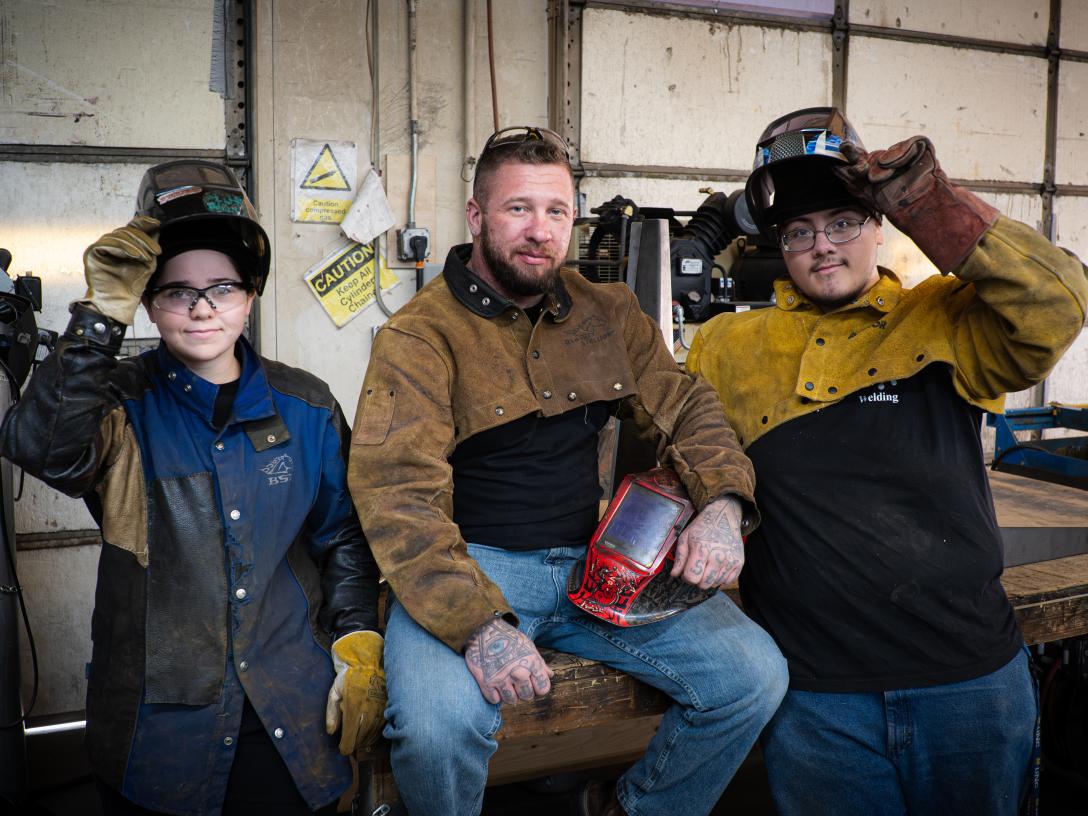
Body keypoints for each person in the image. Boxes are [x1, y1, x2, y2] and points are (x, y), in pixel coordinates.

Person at [348, 126, 788, 816]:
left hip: (598, 564)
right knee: (435, 731)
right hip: (470, 568)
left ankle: (630, 809)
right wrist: (478, 627)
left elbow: (686, 407)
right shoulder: (419, 336)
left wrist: (724, 505)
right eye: (518, 208)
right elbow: (397, 497)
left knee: (753, 677)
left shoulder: (607, 313)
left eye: (556, 211)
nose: (540, 230)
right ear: (476, 216)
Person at [687, 107, 1088, 815]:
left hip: (968, 683)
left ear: (881, 226)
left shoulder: (946, 316)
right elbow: (679, 444)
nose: (823, 246)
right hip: (816, 700)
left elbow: (1058, 303)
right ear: (780, 245)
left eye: (843, 223)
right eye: (800, 231)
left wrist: (930, 201)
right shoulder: (728, 346)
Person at [0, 161, 385, 816]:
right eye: (178, 291)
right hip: (157, 730)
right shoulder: (116, 403)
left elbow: (341, 537)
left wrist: (356, 639)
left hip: (292, 712)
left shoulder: (308, 407)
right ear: (148, 303)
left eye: (222, 288)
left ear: (251, 296)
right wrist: (98, 318)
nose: (202, 307)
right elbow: (42, 450)